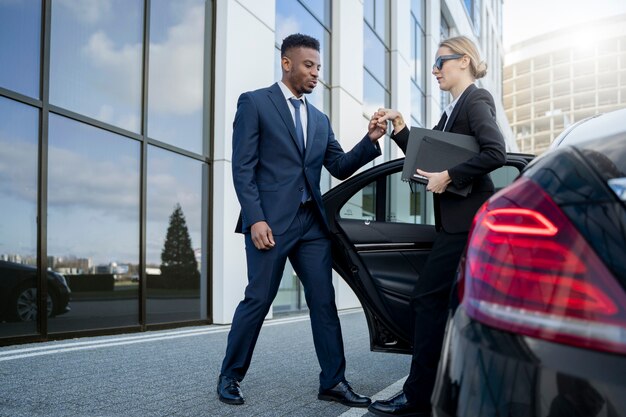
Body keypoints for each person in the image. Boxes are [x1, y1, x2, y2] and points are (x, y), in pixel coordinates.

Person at [217, 33, 386, 407]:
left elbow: (339, 167)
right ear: (287, 63)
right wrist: (256, 219)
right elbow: (242, 168)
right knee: (258, 299)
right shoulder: (255, 103)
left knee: (323, 301)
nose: (316, 74)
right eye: (309, 65)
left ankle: (334, 382)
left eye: (319, 67)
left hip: (312, 224)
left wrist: (370, 139)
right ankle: (230, 375)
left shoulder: (320, 119)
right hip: (270, 224)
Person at [368, 35, 506, 417]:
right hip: (453, 225)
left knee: (426, 300)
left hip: (465, 225)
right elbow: (426, 157)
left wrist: (450, 175)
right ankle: (440, 392)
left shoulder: (476, 100)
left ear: (463, 61)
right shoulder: (451, 110)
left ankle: (417, 399)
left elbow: (497, 151)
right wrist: (399, 128)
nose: (434, 70)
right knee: (446, 306)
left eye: (440, 62)